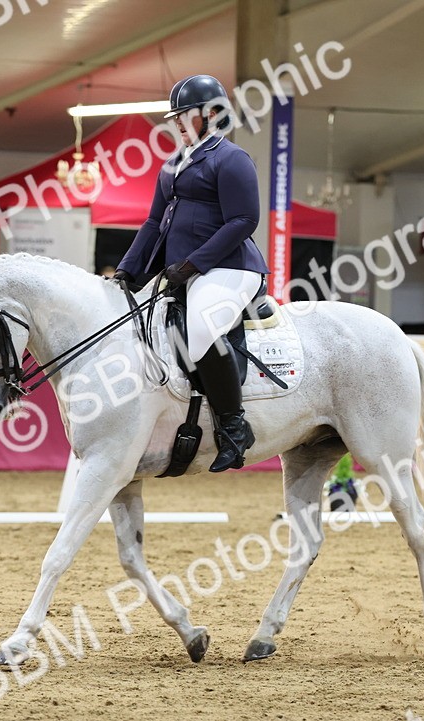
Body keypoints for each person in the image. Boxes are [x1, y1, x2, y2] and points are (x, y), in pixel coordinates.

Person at [112, 74, 268, 472]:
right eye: (175, 116)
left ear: (212, 115)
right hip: (185, 271)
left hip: (229, 268)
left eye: (185, 115)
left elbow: (244, 220)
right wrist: (126, 272)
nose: (177, 122)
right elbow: (152, 224)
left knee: (200, 329)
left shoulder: (232, 158)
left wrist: (194, 263)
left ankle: (235, 428)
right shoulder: (172, 165)